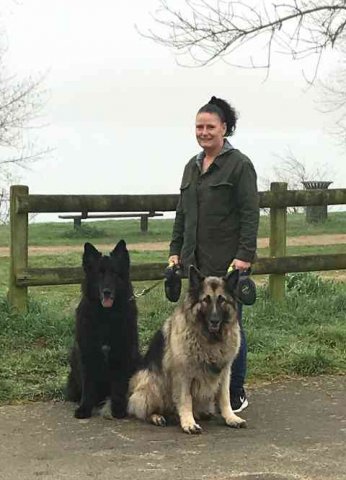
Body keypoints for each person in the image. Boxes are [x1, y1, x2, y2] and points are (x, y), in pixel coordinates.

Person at [168, 96, 259, 413]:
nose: (203, 132)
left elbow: (250, 213)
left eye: (210, 126)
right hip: (195, 266)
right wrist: (175, 252)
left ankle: (234, 393)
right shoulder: (191, 167)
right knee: (194, 329)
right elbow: (182, 214)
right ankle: (198, 396)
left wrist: (245, 254)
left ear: (224, 128)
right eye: (198, 126)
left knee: (230, 327)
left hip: (227, 265)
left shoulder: (240, 165)